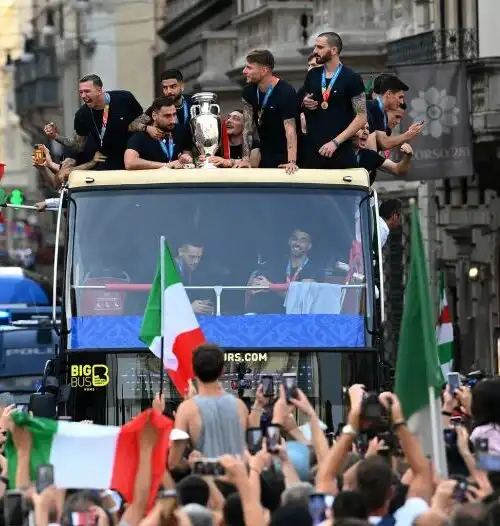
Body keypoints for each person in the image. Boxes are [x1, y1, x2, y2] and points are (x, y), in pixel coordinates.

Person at [43, 74, 146, 170]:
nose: (83, 96)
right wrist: (56, 136)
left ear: (99, 90)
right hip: (108, 160)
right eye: (81, 92)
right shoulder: (82, 115)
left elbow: (141, 119)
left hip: (133, 153)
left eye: (87, 91)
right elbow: (78, 146)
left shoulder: (124, 98)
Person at [168, 343, 248, 467]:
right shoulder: (240, 406)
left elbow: (173, 462)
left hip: (205, 483)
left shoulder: (186, 409)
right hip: (238, 481)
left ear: (193, 371)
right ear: (222, 371)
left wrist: (192, 463)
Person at [301, 32, 367, 169]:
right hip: (313, 153)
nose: (315, 51)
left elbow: (362, 117)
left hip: (340, 153)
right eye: (315, 47)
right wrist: (306, 102)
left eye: (320, 47)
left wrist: (336, 142)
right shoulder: (312, 75)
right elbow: (306, 102)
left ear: (334, 50)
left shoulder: (351, 77)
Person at [239, 49, 298, 174]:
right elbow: (248, 128)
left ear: (264, 70)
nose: (244, 71)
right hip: (265, 152)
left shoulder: (286, 92)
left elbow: (290, 130)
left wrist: (291, 161)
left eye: (249, 68)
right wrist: (245, 158)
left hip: (286, 154)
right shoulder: (248, 92)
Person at [124, 96, 193, 170]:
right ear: (154, 116)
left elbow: (188, 154)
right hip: (150, 180)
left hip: (175, 180)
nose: (173, 120)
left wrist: (186, 158)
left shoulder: (180, 130)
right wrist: (166, 165)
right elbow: (129, 162)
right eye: (167, 116)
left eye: (174, 114)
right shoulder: (140, 136)